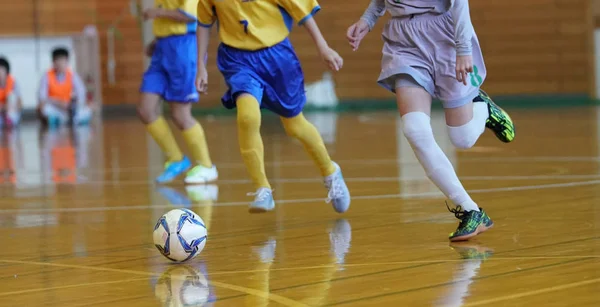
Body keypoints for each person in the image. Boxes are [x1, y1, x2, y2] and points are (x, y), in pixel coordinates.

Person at [347, 0, 515, 241]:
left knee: (463, 138)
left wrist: (463, 49)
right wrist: (367, 19)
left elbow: (459, 3)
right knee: (414, 130)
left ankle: (483, 110)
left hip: (445, 36)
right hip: (404, 42)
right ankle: (471, 210)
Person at [196, 0, 351, 213]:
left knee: (295, 126)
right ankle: (262, 188)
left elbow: (303, 13)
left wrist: (323, 47)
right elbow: (203, 23)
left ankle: (330, 171)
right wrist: (200, 66)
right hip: (238, 59)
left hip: (277, 57)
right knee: (247, 117)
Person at [140, 0, 217, 184]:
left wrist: (157, 14)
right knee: (146, 110)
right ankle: (176, 158)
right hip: (163, 48)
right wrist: (158, 40)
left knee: (180, 114)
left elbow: (190, 16)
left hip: (184, 49)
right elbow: (169, 19)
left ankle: (206, 166)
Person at [38, 48, 93, 127]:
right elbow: (42, 98)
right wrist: (58, 103)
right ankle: (64, 120)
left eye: (63, 61)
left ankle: (67, 119)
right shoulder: (46, 76)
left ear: (67, 62)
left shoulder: (72, 75)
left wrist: (73, 104)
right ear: (53, 62)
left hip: (69, 108)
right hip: (54, 107)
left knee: (86, 110)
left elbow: (81, 94)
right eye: (58, 61)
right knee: (45, 109)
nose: (61, 64)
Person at [0, 57, 22, 128]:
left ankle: (9, 121)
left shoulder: (13, 82)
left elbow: (19, 102)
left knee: (11, 96)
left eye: (2, 70)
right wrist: (3, 107)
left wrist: (11, 107)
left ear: (7, 71)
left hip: (10, 111)